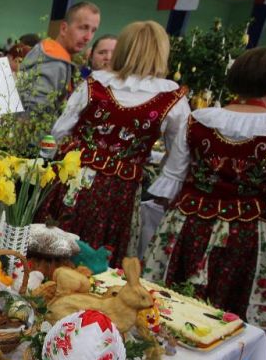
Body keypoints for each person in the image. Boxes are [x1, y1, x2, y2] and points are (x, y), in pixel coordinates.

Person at [36, 21, 190, 266]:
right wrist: (164, 192)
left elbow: (59, 131)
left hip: (75, 181)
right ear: (161, 53)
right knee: (101, 256)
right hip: (121, 192)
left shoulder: (96, 84)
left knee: (53, 249)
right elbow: (179, 158)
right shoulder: (171, 100)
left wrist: (49, 164)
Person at [143, 47, 266, 326]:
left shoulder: (200, 119)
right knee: (228, 315)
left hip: (189, 224)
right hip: (244, 235)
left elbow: (173, 177)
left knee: (172, 306)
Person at [20, 2, 100, 115]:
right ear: (63, 28)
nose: (88, 37)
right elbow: (33, 115)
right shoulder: (54, 62)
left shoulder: (52, 55)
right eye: (83, 28)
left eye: (93, 31)